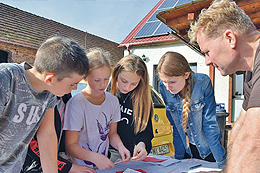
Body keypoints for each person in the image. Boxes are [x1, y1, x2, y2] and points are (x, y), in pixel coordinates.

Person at [188, 0, 260, 172]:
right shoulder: (251, 72)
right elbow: (240, 129)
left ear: (230, 38)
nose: (207, 61)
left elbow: (253, 142)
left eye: (207, 52)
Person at [0, 36, 89, 173]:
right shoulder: (6, 78)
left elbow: (47, 134)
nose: (75, 88)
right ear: (50, 78)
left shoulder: (49, 92)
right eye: (72, 84)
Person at [63, 49, 131, 171]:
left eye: (106, 79)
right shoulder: (76, 104)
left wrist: (121, 147)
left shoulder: (113, 101)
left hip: (102, 167)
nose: (103, 84)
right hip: (80, 168)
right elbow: (70, 145)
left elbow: (112, 134)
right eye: (97, 80)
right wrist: (94, 157)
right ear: (85, 77)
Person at [157, 51, 226, 168]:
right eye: (164, 82)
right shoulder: (163, 88)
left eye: (172, 82)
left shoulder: (202, 83)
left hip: (208, 149)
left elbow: (210, 124)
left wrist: (221, 162)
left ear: (186, 74)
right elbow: (175, 127)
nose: (168, 87)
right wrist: (178, 160)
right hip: (185, 149)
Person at [22, 94, 95, 173]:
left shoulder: (66, 99)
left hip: (58, 162)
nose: (75, 88)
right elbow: (31, 144)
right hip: (34, 166)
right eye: (72, 84)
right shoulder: (39, 101)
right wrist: (68, 167)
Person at [109, 54, 154, 162]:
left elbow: (145, 132)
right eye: (123, 81)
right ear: (116, 74)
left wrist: (142, 145)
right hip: (99, 152)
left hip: (126, 155)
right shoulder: (106, 90)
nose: (127, 87)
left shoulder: (142, 100)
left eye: (134, 84)